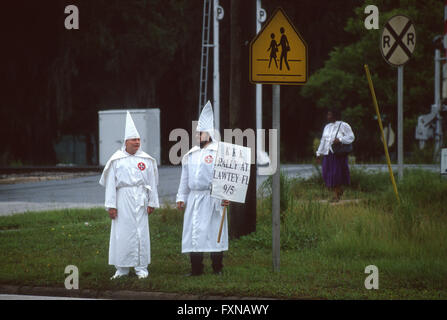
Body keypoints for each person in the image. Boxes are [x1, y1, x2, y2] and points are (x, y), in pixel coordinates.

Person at [99, 111, 159, 279]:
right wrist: (111, 205)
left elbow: (152, 182)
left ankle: (141, 267)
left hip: (140, 199)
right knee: (122, 233)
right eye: (134, 140)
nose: (137, 142)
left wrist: (152, 202)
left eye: (139, 140)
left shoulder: (146, 160)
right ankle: (122, 268)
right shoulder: (117, 160)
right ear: (126, 141)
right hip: (123, 199)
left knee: (141, 232)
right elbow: (111, 184)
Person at [176, 101, 230, 276]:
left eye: (201, 133)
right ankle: (196, 268)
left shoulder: (219, 152)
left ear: (209, 134)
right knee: (194, 231)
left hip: (213, 197)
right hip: (195, 198)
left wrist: (226, 195)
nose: (198, 136)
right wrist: (181, 197)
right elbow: (185, 178)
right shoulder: (191, 154)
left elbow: (227, 176)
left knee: (215, 231)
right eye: (197, 133)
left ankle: (217, 268)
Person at [316, 109, 355, 202]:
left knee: (336, 174)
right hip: (328, 153)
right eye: (328, 114)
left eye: (330, 114)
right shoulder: (327, 127)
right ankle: (338, 191)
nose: (328, 116)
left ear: (335, 115)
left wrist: (340, 139)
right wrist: (318, 153)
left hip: (338, 154)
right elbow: (323, 140)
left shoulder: (344, 125)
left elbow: (351, 137)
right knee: (326, 173)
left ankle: (336, 196)